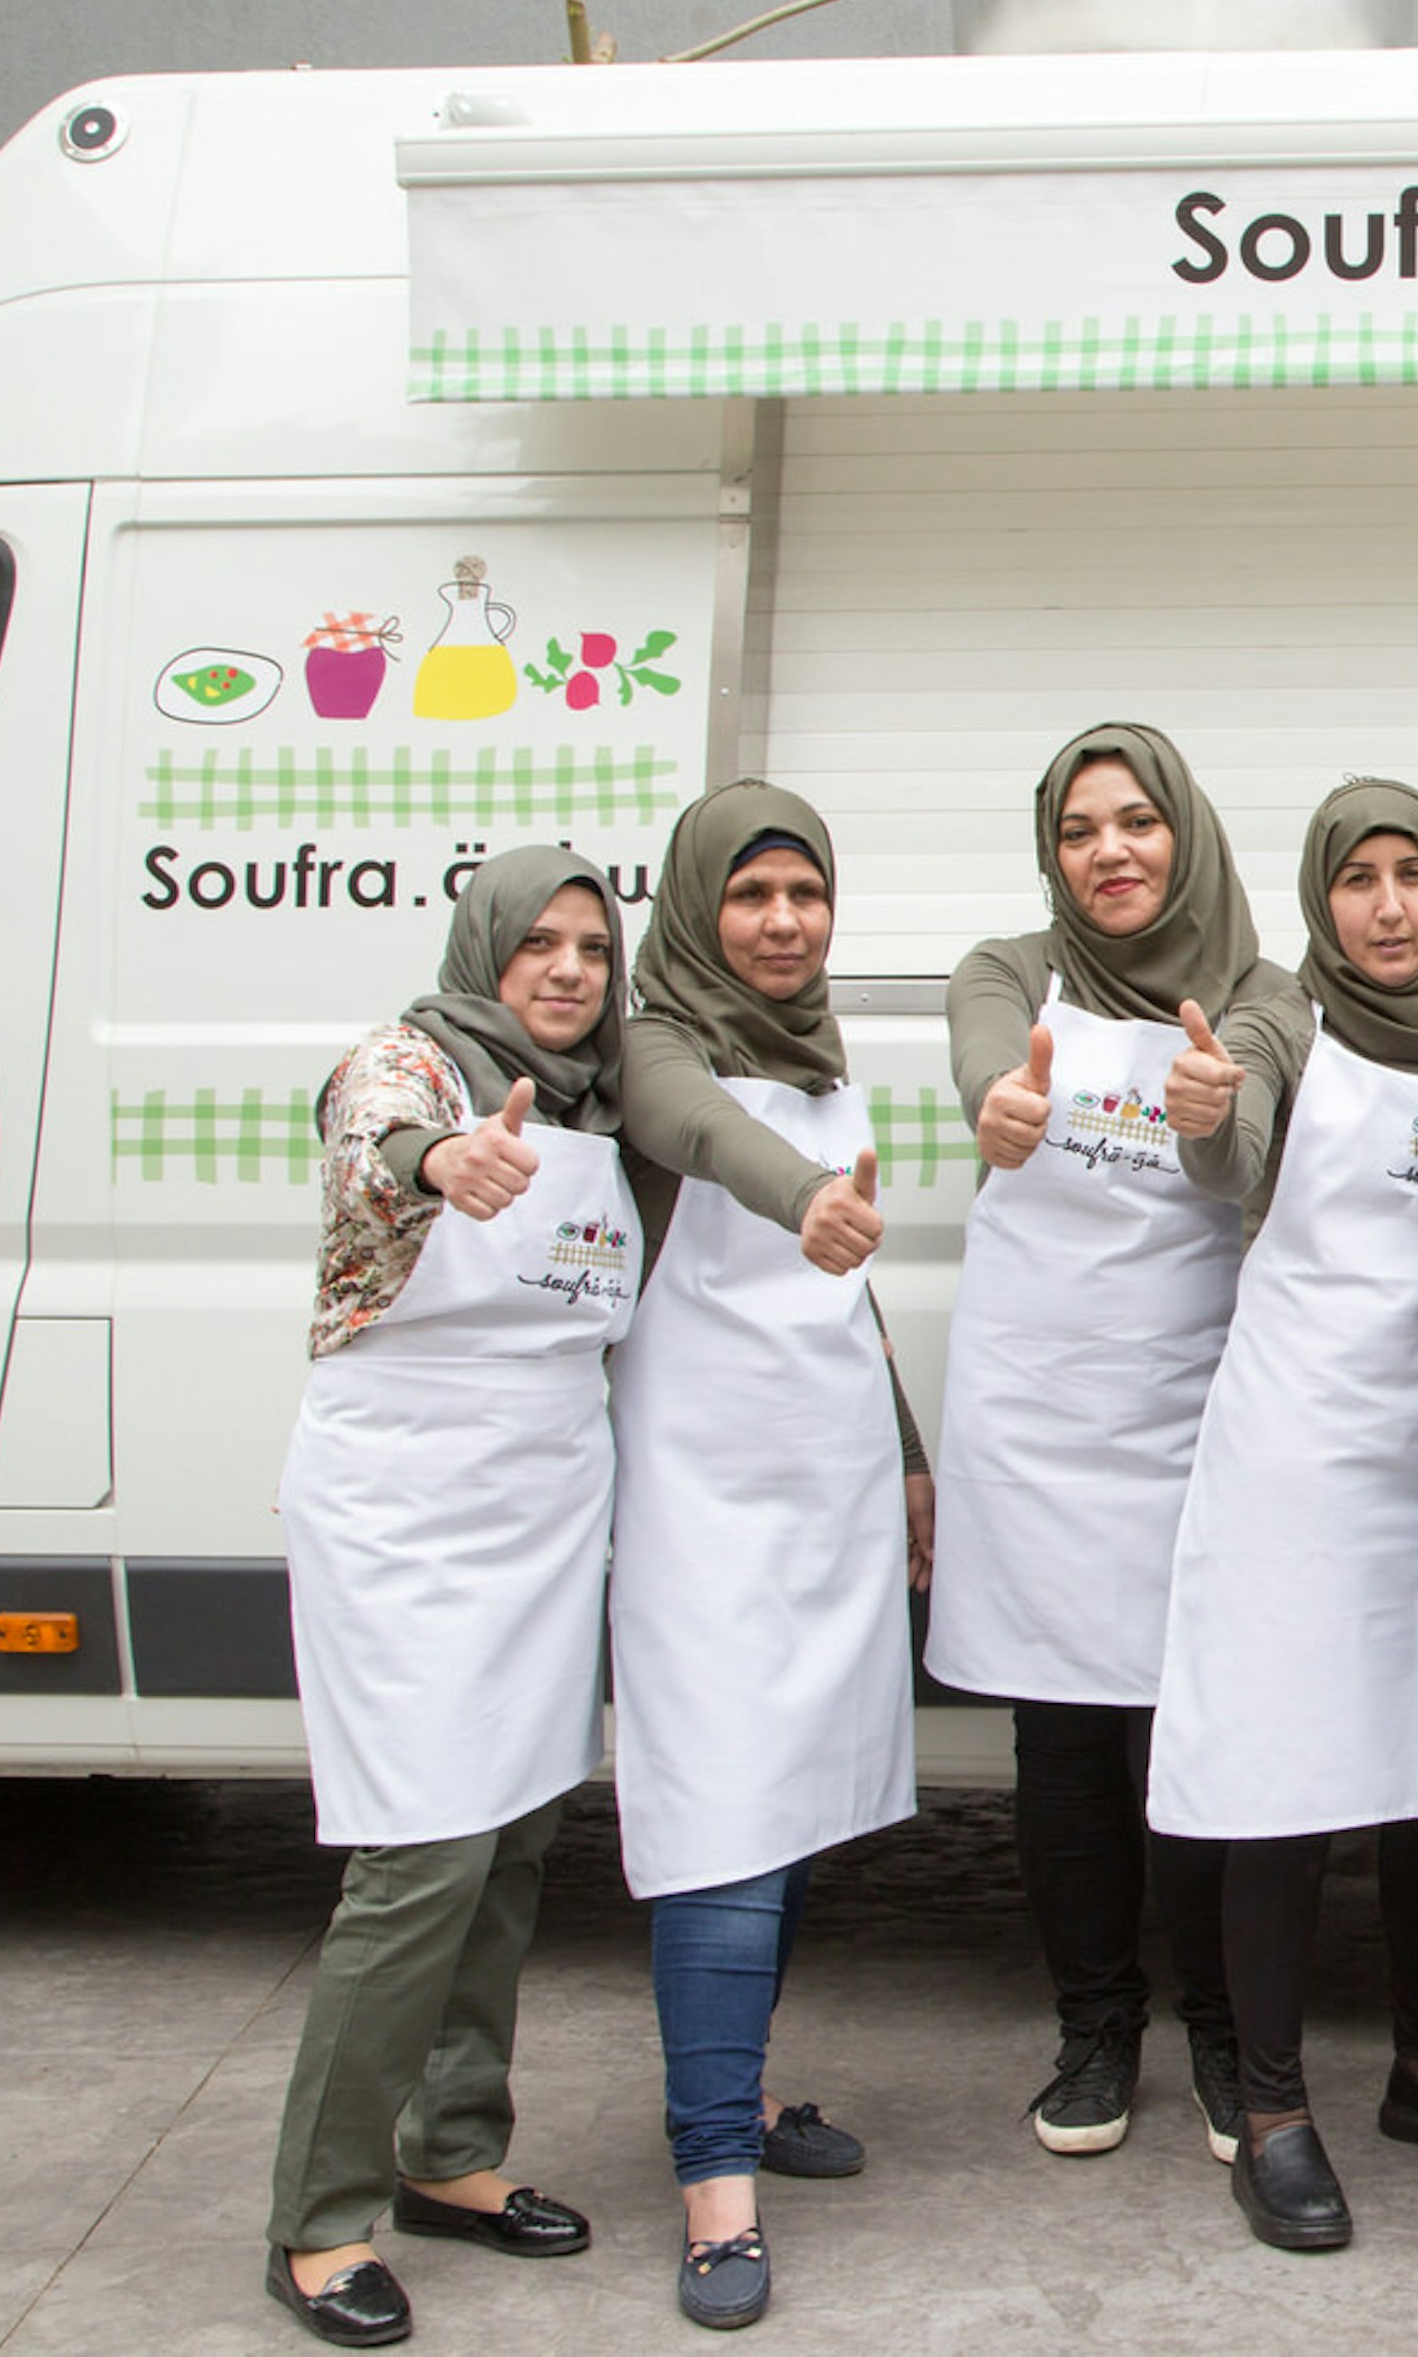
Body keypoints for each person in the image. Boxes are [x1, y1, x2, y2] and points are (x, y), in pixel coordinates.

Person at [261, 848, 636, 2347]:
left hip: (544, 1501)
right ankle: (318, 2214)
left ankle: (451, 2150)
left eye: (591, 949)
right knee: (418, 1858)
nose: (563, 970)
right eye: (537, 942)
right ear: (485, 945)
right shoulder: (405, 1057)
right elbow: (374, 1135)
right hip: (407, 1507)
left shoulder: (606, 1101)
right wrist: (440, 1161)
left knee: (511, 1843)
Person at [1147, 780, 1418, 2254]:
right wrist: (1206, 1117)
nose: (1386, 904)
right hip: (1296, 1455)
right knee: (1283, 1784)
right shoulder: (1279, 1023)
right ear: (1321, 897)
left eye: (1409, 873)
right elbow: (1230, 1144)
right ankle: (1276, 2109)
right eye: (1356, 876)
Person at [926, 722, 1286, 2163]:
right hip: (1036, 1412)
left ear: (1184, 832)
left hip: (1190, 1408)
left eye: (1137, 820)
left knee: (1191, 1735)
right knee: (1062, 1740)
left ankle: (1214, 2029)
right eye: (1081, 829)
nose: (1111, 850)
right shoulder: (1011, 971)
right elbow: (981, 1065)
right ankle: (1093, 2028)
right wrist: (998, 1106)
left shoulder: (1262, 991)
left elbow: (1236, 1133)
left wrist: (1212, 1113)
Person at [609, 783, 925, 2329]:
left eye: (806, 892)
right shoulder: (654, 1034)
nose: (785, 921)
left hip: (827, 1478)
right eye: (752, 896)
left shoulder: (820, 1045)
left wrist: (915, 1454)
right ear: (695, 908)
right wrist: (802, 1196)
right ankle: (713, 2181)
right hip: (700, 1491)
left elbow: (843, 1287)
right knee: (721, 1811)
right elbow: (698, 1130)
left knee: (787, 1806)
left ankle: (753, 2086)